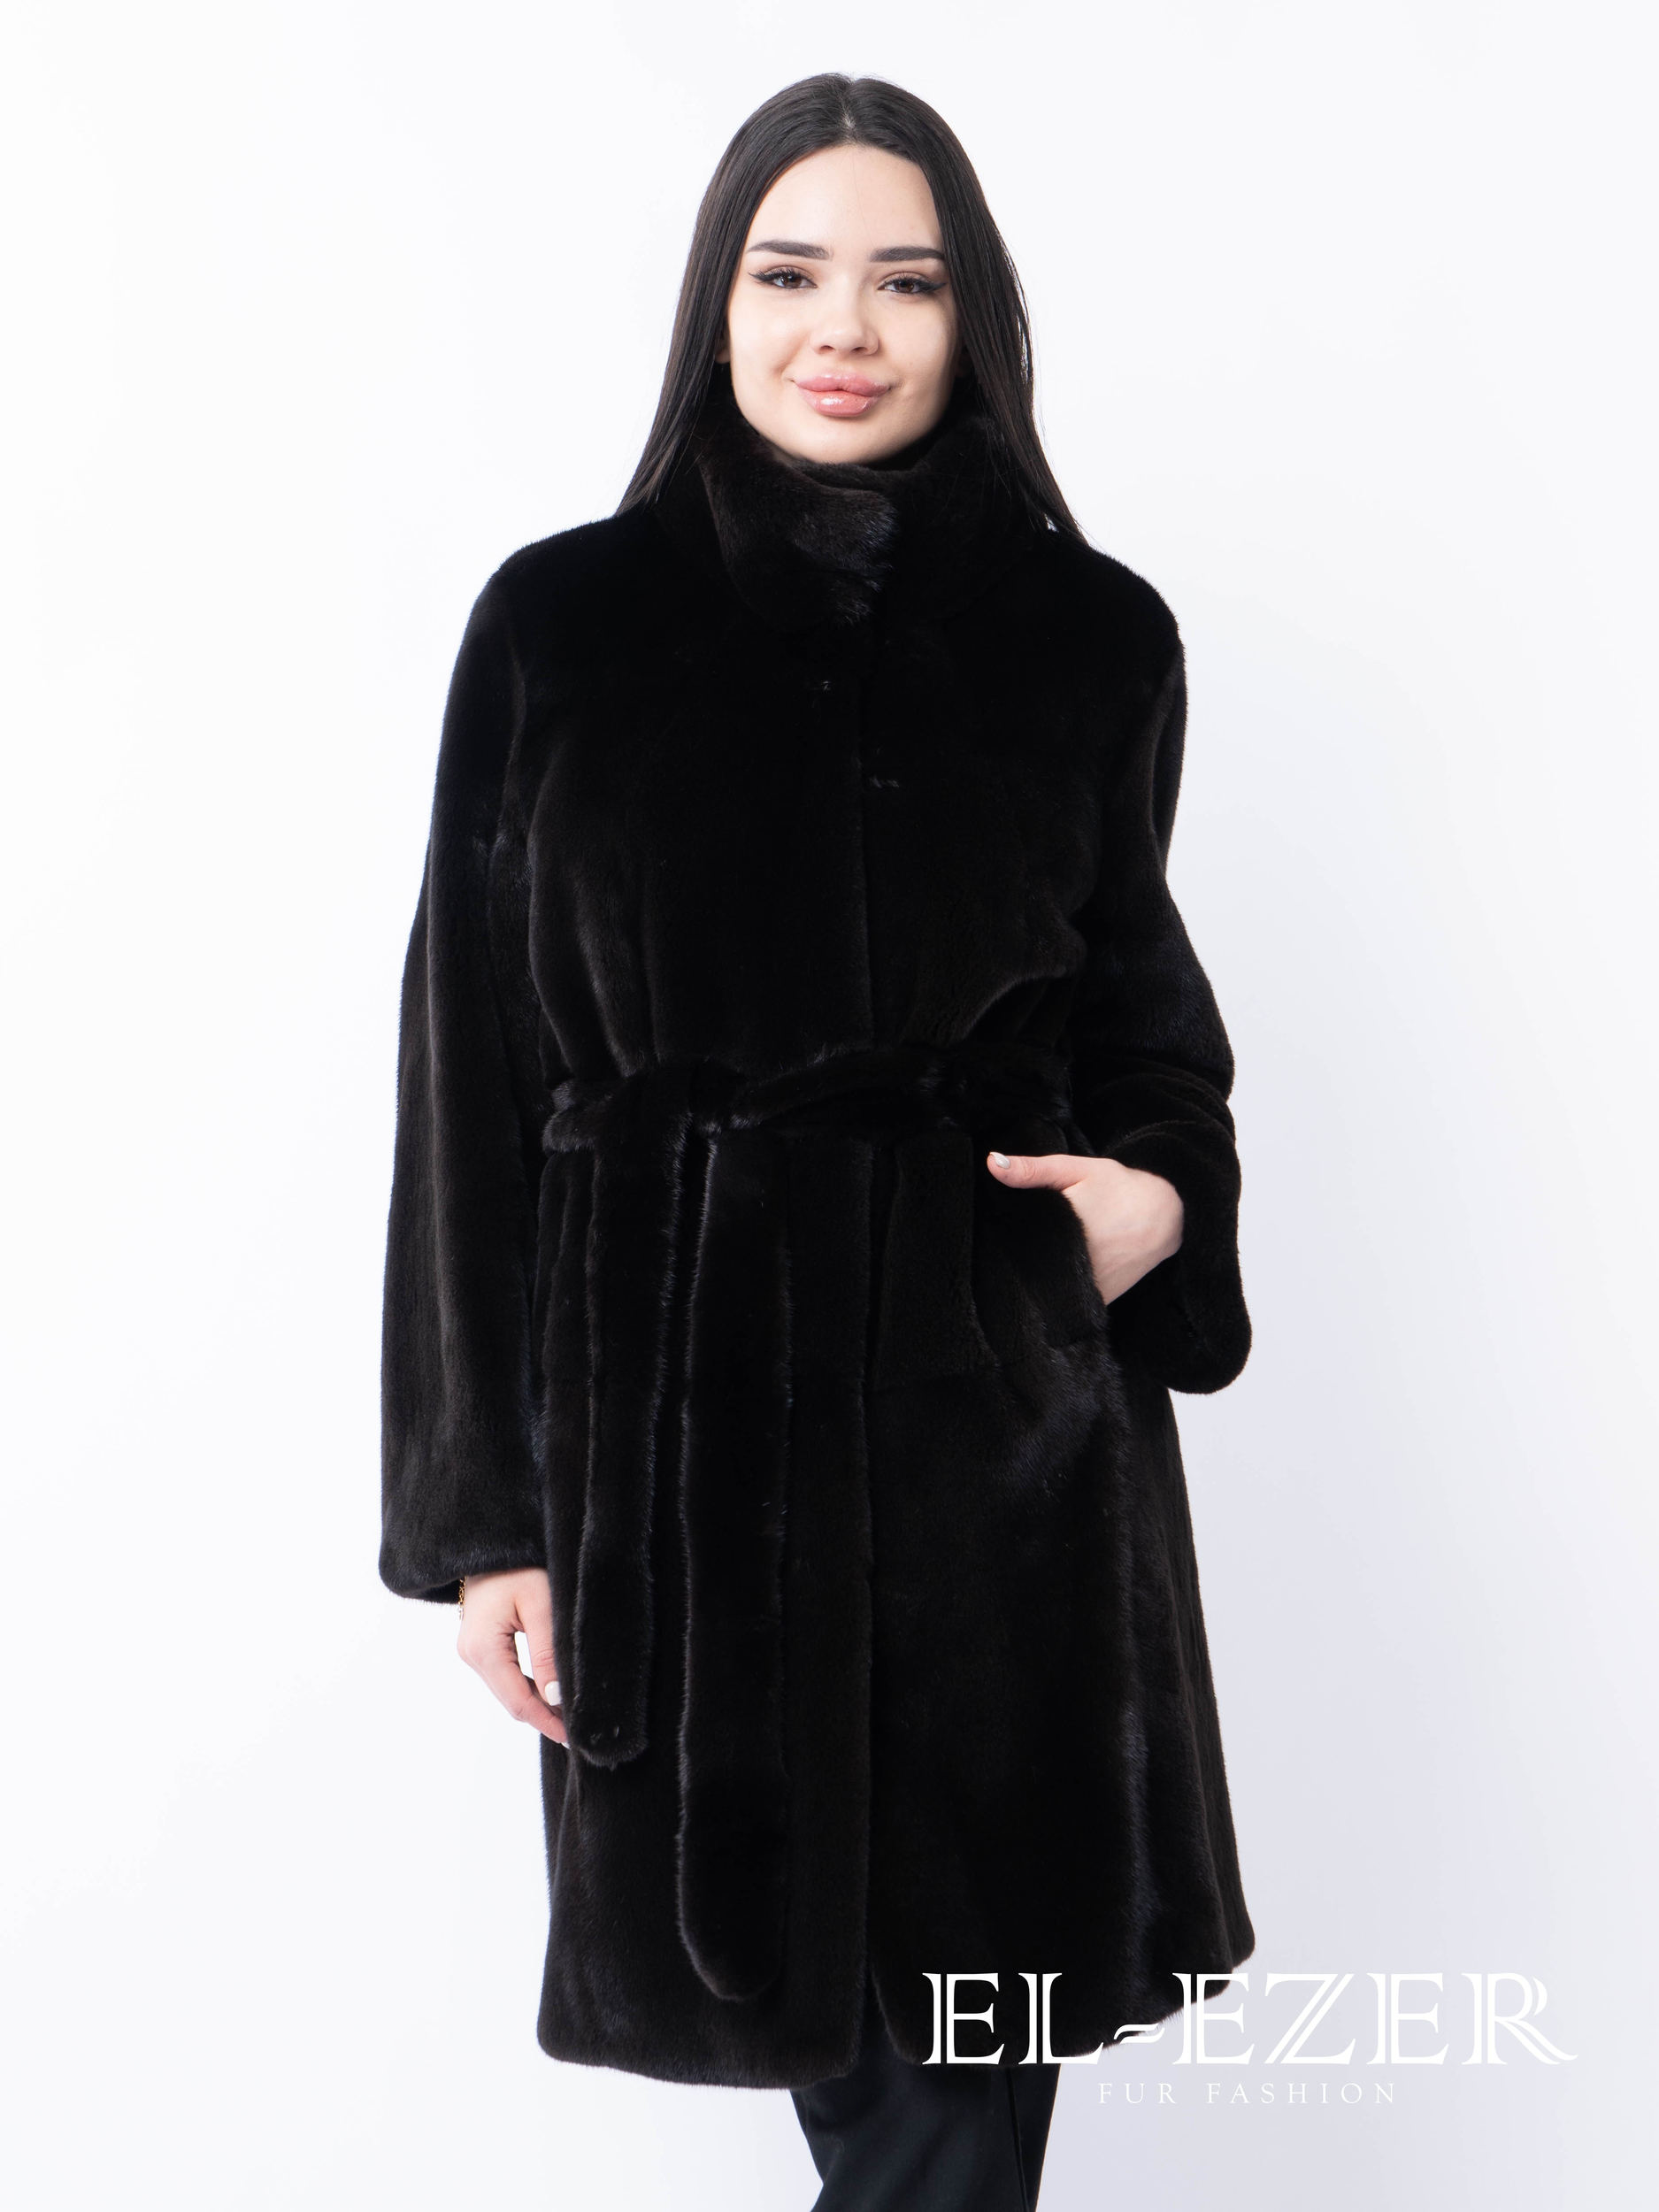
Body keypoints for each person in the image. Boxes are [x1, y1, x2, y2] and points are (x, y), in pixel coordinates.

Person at [379, 70, 1255, 2212]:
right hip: (678, 1467)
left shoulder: (1087, 639)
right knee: (883, 2104)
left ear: (972, 319)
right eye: (787, 274)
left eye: (904, 281)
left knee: (954, 2107)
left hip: (1005, 1472)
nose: (840, 327)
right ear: (717, 302)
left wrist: (1155, 1204)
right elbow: (468, 1084)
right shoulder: (560, 628)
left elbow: (1147, 1031)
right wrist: (486, 1517)